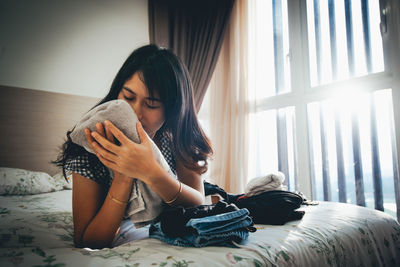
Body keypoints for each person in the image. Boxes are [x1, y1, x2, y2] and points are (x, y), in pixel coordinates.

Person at [53, 44, 213, 249]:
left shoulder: (176, 139)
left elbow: (198, 203)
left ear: (171, 109)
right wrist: (124, 175)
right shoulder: (91, 144)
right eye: (128, 98)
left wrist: (151, 171)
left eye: (152, 104)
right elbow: (88, 241)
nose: (135, 113)